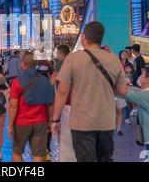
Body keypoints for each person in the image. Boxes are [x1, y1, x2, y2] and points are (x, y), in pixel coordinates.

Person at [52, 21, 128, 162]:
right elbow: (123, 91)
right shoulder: (113, 59)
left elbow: (62, 91)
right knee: (105, 158)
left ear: (84, 37)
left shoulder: (73, 58)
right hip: (106, 121)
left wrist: (55, 119)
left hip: (81, 122)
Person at [8, 51, 55, 162]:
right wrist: (50, 121)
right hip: (40, 122)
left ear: (23, 63)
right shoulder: (45, 81)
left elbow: (13, 106)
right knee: (38, 154)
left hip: (21, 123)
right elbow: (50, 104)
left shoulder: (16, 81)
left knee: (17, 152)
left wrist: (10, 125)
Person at [50, 44, 76, 162]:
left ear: (60, 53)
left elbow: (54, 80)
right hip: (76, 100)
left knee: (64, 132)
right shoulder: (74, 61)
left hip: (65, 101)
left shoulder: (61, 63)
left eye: (56, 52)